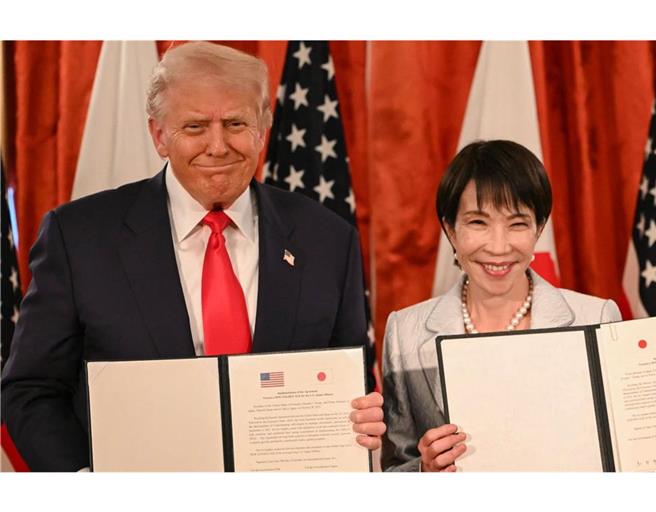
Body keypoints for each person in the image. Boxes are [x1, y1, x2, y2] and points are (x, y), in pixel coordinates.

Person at [1, 41, 384, 471]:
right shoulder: (79, 237)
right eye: (196, 126)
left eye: (236, 123)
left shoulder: (328, 240)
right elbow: (31, 388)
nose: (218, 146)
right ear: (159, 135)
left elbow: (350, 380)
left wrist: (359, 416)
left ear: (263, 128)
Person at [381, 139, 621, 472]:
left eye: (517, 223)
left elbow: (622, 456)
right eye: (478, 222)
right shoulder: (404, 333)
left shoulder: (595, 318)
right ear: (450, 230)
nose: (498, 246)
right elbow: (394, 469)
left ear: (539, 228)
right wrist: (424, 470)